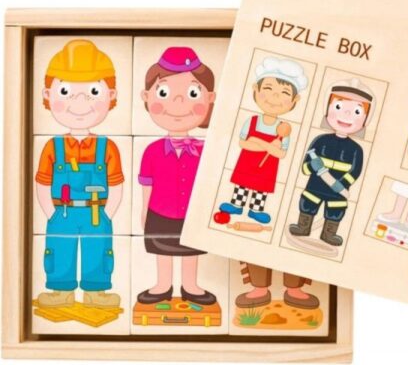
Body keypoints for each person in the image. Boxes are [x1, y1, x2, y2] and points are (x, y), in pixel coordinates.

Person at [35, 40, 124, 308]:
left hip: (97, 211)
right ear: (47, 95)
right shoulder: (52, 146)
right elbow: (43, 183)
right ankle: (61, 290)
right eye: (66, 91)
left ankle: (96, 291)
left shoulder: (108, 147)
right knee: (60, 249)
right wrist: (50, 212)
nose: (81, 102)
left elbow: (116, 185)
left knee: (97, 249)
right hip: (61, 211)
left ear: (111, 95)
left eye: (94, 91)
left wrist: (108, 213)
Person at [136, 47, 217, 305]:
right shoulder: (152, 151)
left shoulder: (205, 150)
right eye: (164, 93)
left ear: (210, 98)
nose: (179, 104)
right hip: (160, 212)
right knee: (163, 249)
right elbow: (146, 186)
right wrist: (144, 213)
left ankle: (190, 285)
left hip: (193, 212)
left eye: (193, 93)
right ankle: (163, 285)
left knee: (190, 251)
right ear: (146, 96)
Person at [215, 57, 308, 224]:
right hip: (247, 163)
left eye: (285, 93)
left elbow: (281, 154)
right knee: (242, 184)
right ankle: (237, 205)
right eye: (268, 88)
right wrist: (268, 146)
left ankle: (256, 210)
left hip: (267, 168)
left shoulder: (283, 128)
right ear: (255, 89)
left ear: (295, 100)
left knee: (261, 188)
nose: (275, 96)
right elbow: (243, 143)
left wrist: (258, 142)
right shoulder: (251, 121)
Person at [289, 78, 374, 246]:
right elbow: (305, 166)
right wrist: (311, 166)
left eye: (357, 111)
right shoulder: (320, 140)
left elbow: (355, 171)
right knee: (308, 204)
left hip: (338, 191)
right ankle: (303, 226)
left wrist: (341, 184)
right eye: (338, 107)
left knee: (336, 209)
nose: (346, 115)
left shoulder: (356, 149)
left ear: (365, 119)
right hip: (314, 186)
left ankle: (329, 234)